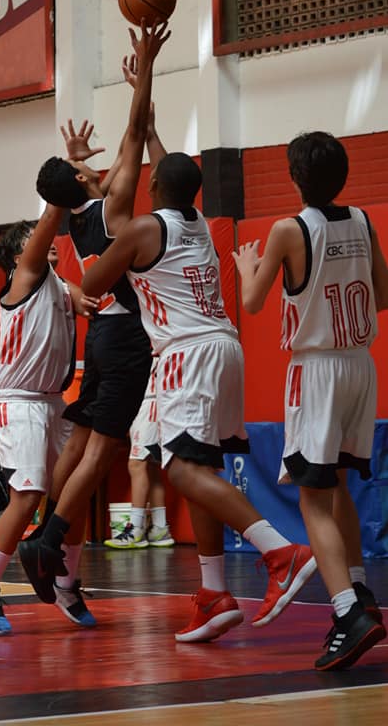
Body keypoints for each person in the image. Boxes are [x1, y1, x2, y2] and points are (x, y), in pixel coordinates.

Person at [81, 151, 317, 643]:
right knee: (201, 470)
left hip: (186, 353)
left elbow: (91, 283)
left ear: (154, 189)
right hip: (224, 347)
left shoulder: (142, 229)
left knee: (182, 470)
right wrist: (150, 135)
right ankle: (214, 594)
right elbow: (172, 171)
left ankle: (281, 552)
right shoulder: (200, 225)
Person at [18, 21, 170, 607]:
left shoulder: (75, 222)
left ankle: (45, 530)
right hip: (126, 336)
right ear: (83, 180)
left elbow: (89, 176)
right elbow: (134, 134)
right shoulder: (112, 211)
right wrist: (146, 66)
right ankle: (48, 540)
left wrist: (76, 165)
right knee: (103, 451)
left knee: (79, 445)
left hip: (99, 338)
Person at [233, 131, 388, 670]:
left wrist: (246, 267)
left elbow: (252, 303)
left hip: (317, 371)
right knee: (337, 483)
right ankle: (360, 589)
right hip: (360, 366)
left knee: (312, 498)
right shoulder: (364, 221)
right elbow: (384, 295)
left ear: (295, 178)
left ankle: (347, 612)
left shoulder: (288, 229)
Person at [0, 208, 97, 634]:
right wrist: (58, 201)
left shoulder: (59, 284)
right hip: (16, 400)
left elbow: (88, 300)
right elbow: (45, 238)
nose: (47, 241)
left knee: (74, 493)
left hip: (53, 401)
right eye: (33, 238)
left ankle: (65, 584)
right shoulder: (22, 278)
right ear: (19, 256)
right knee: (27, 495)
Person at [105, 361, 175, 549]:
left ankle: (135, 528)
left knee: (137, 463)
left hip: (149, 401)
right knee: (151, 466)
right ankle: (160, 528)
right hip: (150, 401)